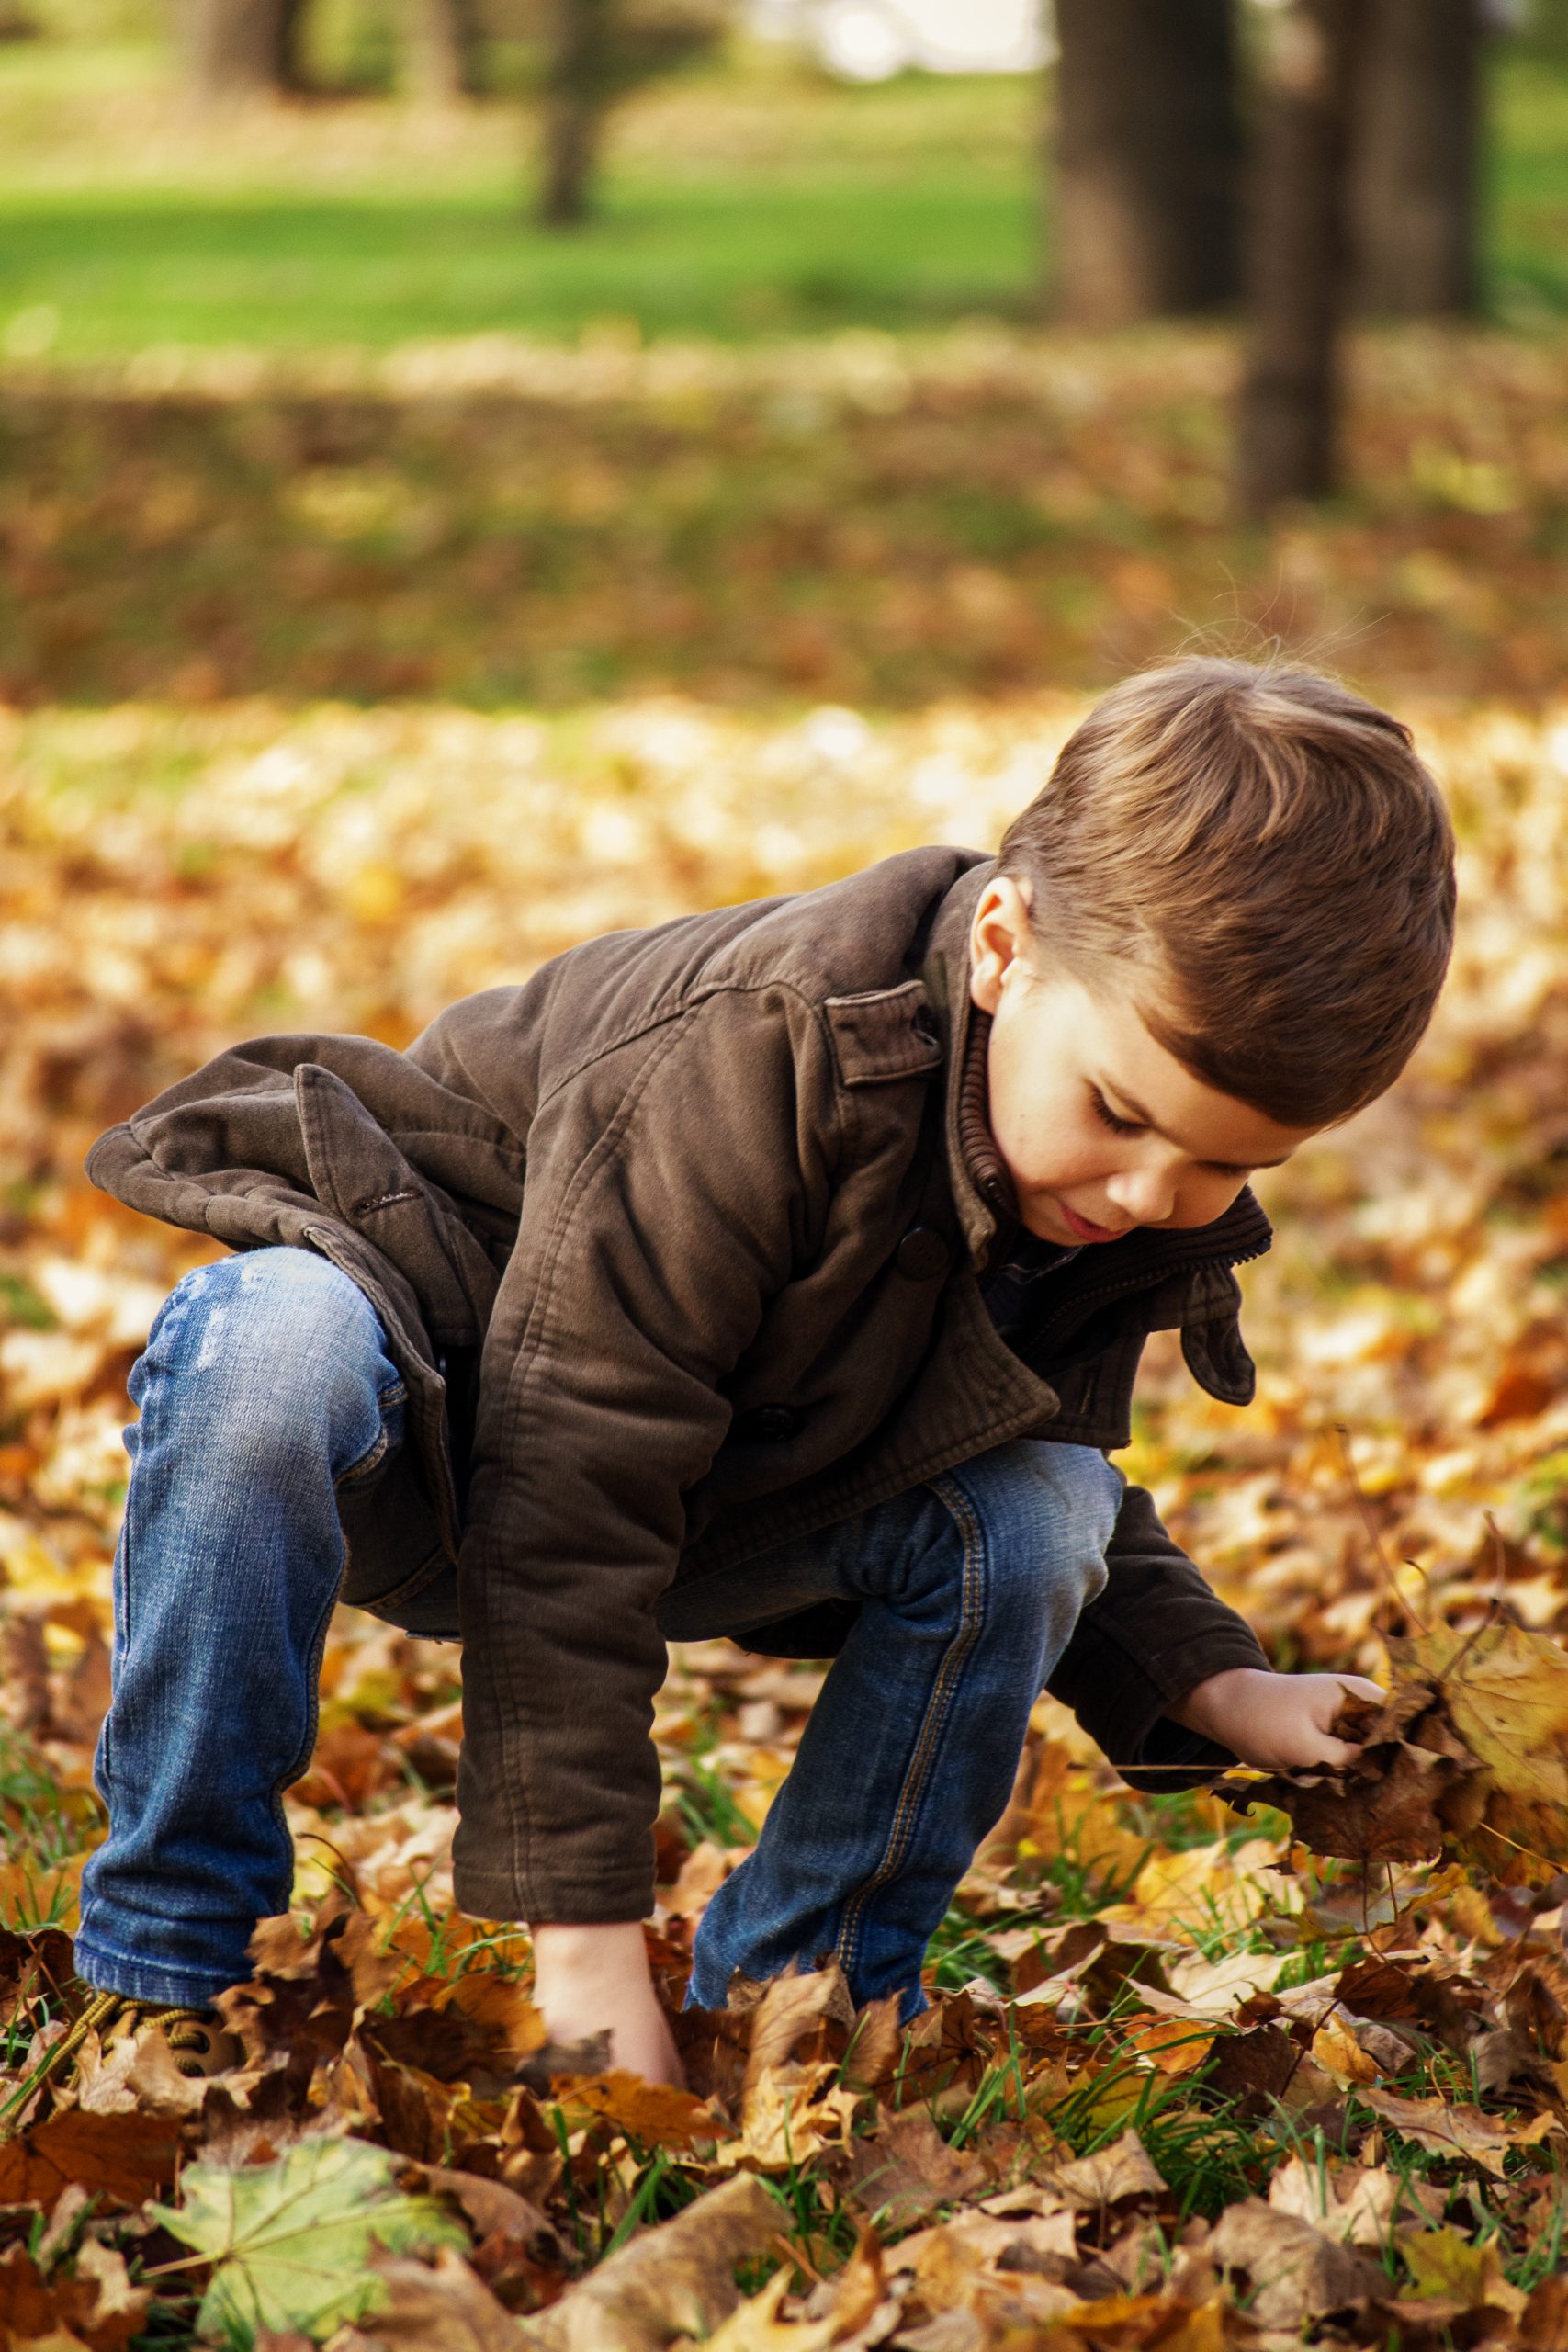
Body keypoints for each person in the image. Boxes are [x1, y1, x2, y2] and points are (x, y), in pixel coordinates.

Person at [18, 657, 1453, 2105]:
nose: (1154, 1192)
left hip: (716, 1489)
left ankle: (795, 2005)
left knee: (1034, 1516)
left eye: (1231, 1166)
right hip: (433, 1416)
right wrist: (586, 1962)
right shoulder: (765, 1057)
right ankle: (174, 1974)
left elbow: (1023, 1442)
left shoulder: (1078, 1167)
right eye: (1124, 1116)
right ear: (1005, 948)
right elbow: (571, 1481)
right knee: (265, 1354)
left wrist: (1215, 1683)